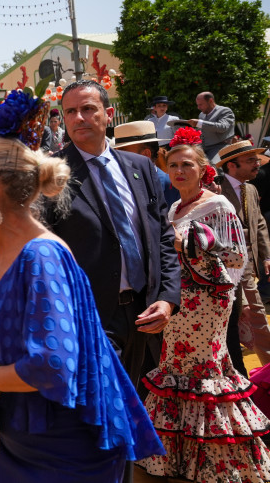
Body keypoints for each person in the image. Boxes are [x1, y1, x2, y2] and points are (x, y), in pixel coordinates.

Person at [0, 93, 163, 480]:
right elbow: (1, 286)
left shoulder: (41, 257)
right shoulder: (10, 255)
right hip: (24, 441)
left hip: (57, 454)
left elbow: (53, 365)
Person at [0, 80, 180, 394]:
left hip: (148, 314)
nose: (78, 118)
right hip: (92, 322)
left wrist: (167, 299)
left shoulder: (140, 167)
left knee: (143, 413)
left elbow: (162, 239)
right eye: (70, 111)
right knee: (105, 414)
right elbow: (26, 249)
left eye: (88, 109)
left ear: (108, 114)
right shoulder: (51, 177)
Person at [137, 128, 270, 481]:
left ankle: (218, 460)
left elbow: (237, 259)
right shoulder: (172, 207)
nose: (179, 171)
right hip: (177, 304)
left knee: (205, 372)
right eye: (174, 166)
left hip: (208, 304)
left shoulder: (218, 204)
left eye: (187, 165)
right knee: (175, 369)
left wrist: (190, 247)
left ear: (202, 170)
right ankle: (180, 457)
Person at [217, 140, 270, 368]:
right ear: (231, 165)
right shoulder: (213, 188)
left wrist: (266, 256)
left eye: (257, 160)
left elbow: (259, 224)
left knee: (255, 318)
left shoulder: (251, 188)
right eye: (251, 161)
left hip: (248, 269)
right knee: (252, 318)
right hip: (223, 271)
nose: (257, 164)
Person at [112, 121, 179, 204]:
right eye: (116, 152)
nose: (117, 157)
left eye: (124, 152)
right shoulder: (117, 183)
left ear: (146, 155)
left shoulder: (172, 185)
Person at [188, 91, 237, 161]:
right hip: (203, 147)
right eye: (198, 105)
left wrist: (200, 123)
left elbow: (222, 127)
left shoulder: (225, 111)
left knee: (215, 166)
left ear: (210, 101)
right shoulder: (201, 114)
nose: (198, 107)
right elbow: (201, 132)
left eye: (201, 104)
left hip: (220, 146)